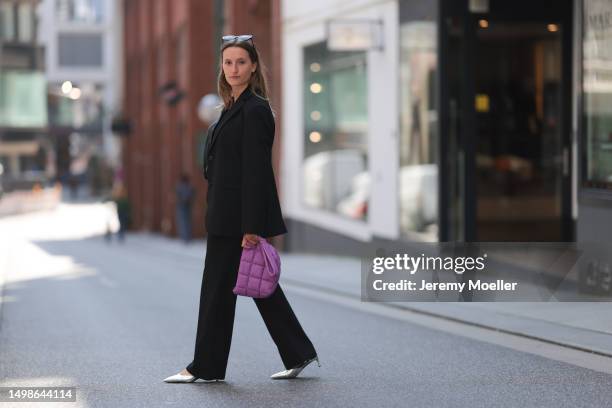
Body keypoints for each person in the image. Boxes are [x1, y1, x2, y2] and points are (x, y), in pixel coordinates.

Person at [163, 34, 319, 384]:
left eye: (241, 62)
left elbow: (256, 172)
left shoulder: (256, 109)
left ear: (253, 67)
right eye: (228, 62)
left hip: (237, 220)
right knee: (256, 285)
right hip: (223, 213)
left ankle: (205, 366)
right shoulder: (230, 108)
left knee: (218, 290)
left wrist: (252, 226)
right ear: (222, 67)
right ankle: (298, 351)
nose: (234, 69)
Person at [175, 174, 195, 243]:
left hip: (184, 207)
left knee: (184, 222)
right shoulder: (188, 187)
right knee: (185, 222)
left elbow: (177, 196)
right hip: (184, 206)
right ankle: (185, 237)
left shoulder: (181, 187)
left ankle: (185, 237)